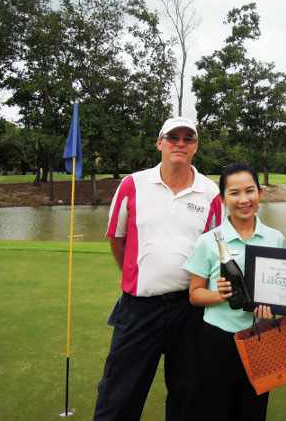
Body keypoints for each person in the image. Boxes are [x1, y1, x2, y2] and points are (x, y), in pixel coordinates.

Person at [93, 117, 223, 421]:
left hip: (189, 310)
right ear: (159, 143)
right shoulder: (132, 184)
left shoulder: (210, 192)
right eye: (172, 137)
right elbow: (117, 238)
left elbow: (215, 250)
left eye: (187, 139)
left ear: (195, 147)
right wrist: (138, 276)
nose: (180, 143)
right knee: (119, 393)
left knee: (187, 393)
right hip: (139, 308)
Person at [184, 163, 286, 421]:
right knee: (217, 409)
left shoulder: (275, 239)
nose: (244, 200)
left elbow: (284, 289)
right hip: (218, 339)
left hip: (261, 336)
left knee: (254, 409)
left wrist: (275, 307)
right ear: (222, 198)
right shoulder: (209, 241)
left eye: (250, 191)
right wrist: (218, 295)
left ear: (259, 194)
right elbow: (195, 294)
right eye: (234, 193)